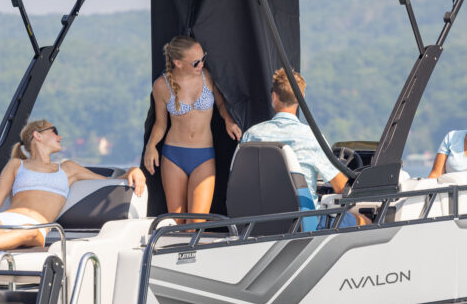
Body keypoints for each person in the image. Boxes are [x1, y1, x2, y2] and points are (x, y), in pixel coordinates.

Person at [0, 119, 146, 253]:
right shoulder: (17, 165)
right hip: (10, 216)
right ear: (37, 135)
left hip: (37, 226)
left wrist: (133, 171)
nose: (60, 136)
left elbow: (111, 181)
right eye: (54, 131)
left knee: (28, 235)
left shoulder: (68, 168)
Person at [143, 36, 242, 219]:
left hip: (203, 155)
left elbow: (221, 105)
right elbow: (160, 123)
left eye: (203, 58)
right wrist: (150, 147)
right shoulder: (162, 86)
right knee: (177, 224)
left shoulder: (208, 78)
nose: (201, 65)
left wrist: (228, 120)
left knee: (196, 222)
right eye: (196, 62)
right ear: (178, 62)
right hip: (173, 156)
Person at [240, 69, 348, 199]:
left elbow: (241, 181)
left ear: (274, 96)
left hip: (257, 217)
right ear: (301, 97)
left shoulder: (251, 135)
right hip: (302, 218)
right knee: (361, 219)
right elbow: (341, 187)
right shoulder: (312, 137)